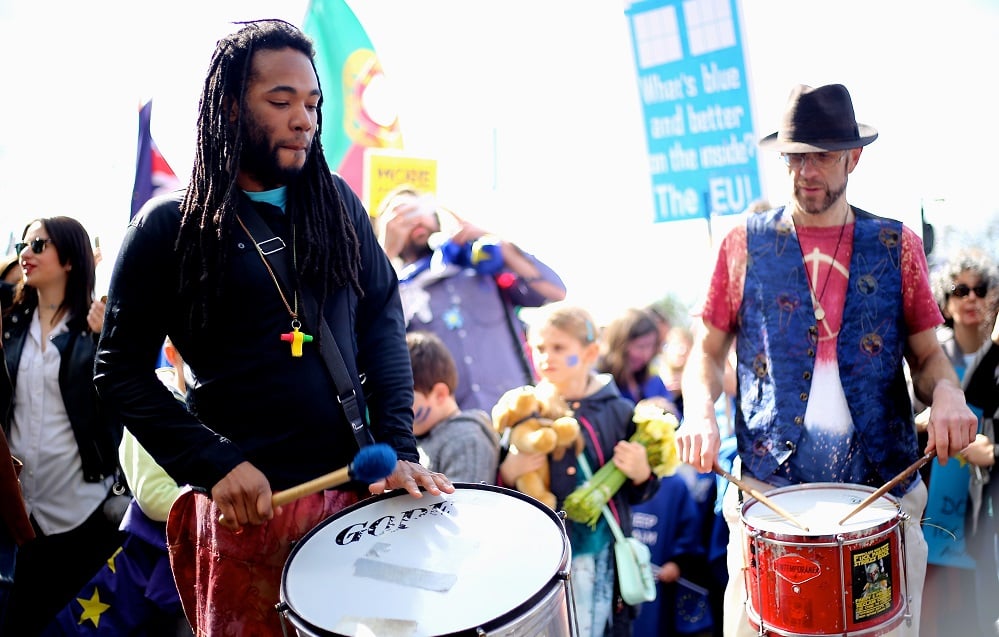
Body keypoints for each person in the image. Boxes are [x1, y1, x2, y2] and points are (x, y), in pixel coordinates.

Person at [92, 20, 453, 637]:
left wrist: (397, 443)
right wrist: (213, 463)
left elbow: (382, 323)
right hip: (247, 516)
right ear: (231, 109)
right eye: (281, 102)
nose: (304, 119)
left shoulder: (338, 203)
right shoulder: (167, 226)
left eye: (312, 103)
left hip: (358, 499)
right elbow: (118, 371)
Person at [675, 83, 978, 637]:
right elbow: (706, 351)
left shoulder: (896, 244)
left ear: (854, 158)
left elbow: (930, 354)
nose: (806, 170)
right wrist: (697, 413)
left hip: (880, 484)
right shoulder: (742, 243)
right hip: (768, 486)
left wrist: (950, 395)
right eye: (795, 156)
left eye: (822, 155)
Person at [499, 303, 659, 637]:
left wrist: (642, 473)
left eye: (559, 348)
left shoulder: (618, 411)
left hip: (602, 556)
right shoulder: (528, 407)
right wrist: (509, 471)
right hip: (544, 553)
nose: (547, 357)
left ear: (590, 353)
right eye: (540, 348)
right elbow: (503, 489)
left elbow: (638, 493)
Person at [1, 217, 125, 636]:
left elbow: (124, 400)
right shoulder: (11, 323)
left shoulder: (97, 325)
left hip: (82, 510)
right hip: (18, 510)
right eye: (24, 243)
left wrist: (108, 339)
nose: (26, 252)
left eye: (39, 244)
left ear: (70, 259)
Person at [43, 337, 194, 636]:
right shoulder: (154, 404)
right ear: (171, 354)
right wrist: (218, 498)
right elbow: (154, 497)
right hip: (156, 569)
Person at [374, 185, 567, 412]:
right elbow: (367, 332)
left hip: (517, 417)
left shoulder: (484, 267)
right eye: (401, 217)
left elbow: (555, 291)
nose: (414, 221)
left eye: (418, 210)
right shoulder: (393, 290)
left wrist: (494, 240)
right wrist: (383, 252)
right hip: (451, 429)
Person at [915, 247, 998, 636]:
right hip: (930, 527)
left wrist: (993, 452)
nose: (971, 298)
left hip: (981, 528)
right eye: (959, 289)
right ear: (944, 301)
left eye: (981, 289)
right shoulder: (925, 361)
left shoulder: (994, 360)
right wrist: (920, 423)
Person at [407, 330, 500, 484]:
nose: (396, 410)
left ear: (440, 394)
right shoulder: (420, 435)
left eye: (405, 400)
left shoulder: (465, 440)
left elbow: (465, 504)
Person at [962, 308, 999, 635]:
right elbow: (969, 393)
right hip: (990, 502)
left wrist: (996, 453)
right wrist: (995, 343)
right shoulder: (996, 358)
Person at [597, 307, 679, 417]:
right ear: (620, 344)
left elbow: (676, 416)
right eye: (640, 346)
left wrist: (666, 409)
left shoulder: (653, 381)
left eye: (651, 346)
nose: (646, 355)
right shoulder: (599, 382)